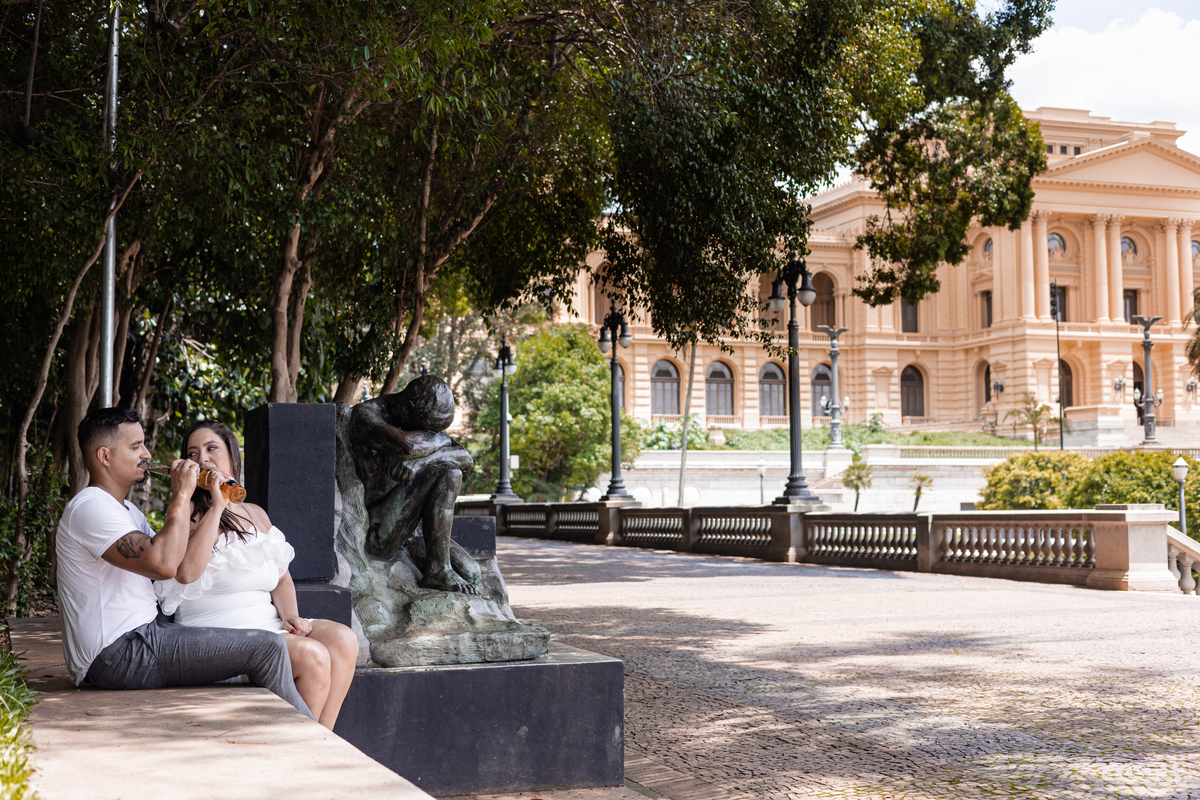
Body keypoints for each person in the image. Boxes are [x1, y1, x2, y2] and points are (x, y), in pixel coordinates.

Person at [57, 408, 313, 719]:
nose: (147, 454)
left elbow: (175, 561)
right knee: (267, 647)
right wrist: (183, 493)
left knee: (274, 646)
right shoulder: (90, 507)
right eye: (135, 446)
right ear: (104, 456)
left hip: (144, 637)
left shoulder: (127, 512)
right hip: (119, 652)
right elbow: (165, 563)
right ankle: (316, 749)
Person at [154, 421, 358, 730]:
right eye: (193, 454)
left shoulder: (256, 514)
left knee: (343, 639)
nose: (202, 459)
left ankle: (323, 740)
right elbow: (186, 573)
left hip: (268, 627)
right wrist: (216, 508)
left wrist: (290, 615)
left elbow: (281, 578)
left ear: (232, 459)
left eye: (212, 449)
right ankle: (306, 748)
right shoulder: (186, 513)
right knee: (313, 656)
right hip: (218, 634)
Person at [349, 375, 477, 593]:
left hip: (410, 531)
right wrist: (443, 441)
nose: (431, 436)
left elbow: (466, 458)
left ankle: (439, 568)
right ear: (407, 408)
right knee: (450, 474)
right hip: (379, 530)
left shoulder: (416, 419)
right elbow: (407, 446)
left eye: (434, 433)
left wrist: (424, 462)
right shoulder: (366, 416)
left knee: (471, 573)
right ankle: (438, 571)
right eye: (427, 431)